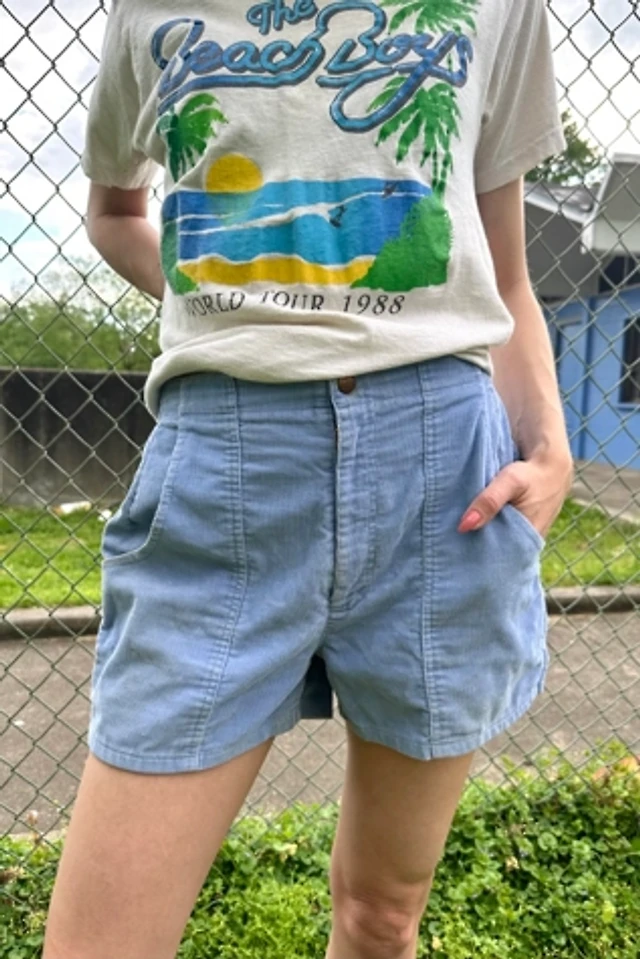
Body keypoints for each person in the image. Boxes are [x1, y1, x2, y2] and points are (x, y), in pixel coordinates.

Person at [43, 1, 573, 957]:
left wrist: (549, 442)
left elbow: (504, 269)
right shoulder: (146, 11)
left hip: (446, 480)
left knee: (383, 915)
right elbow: (115, 212)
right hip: (226, 473)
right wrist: (248, 298)